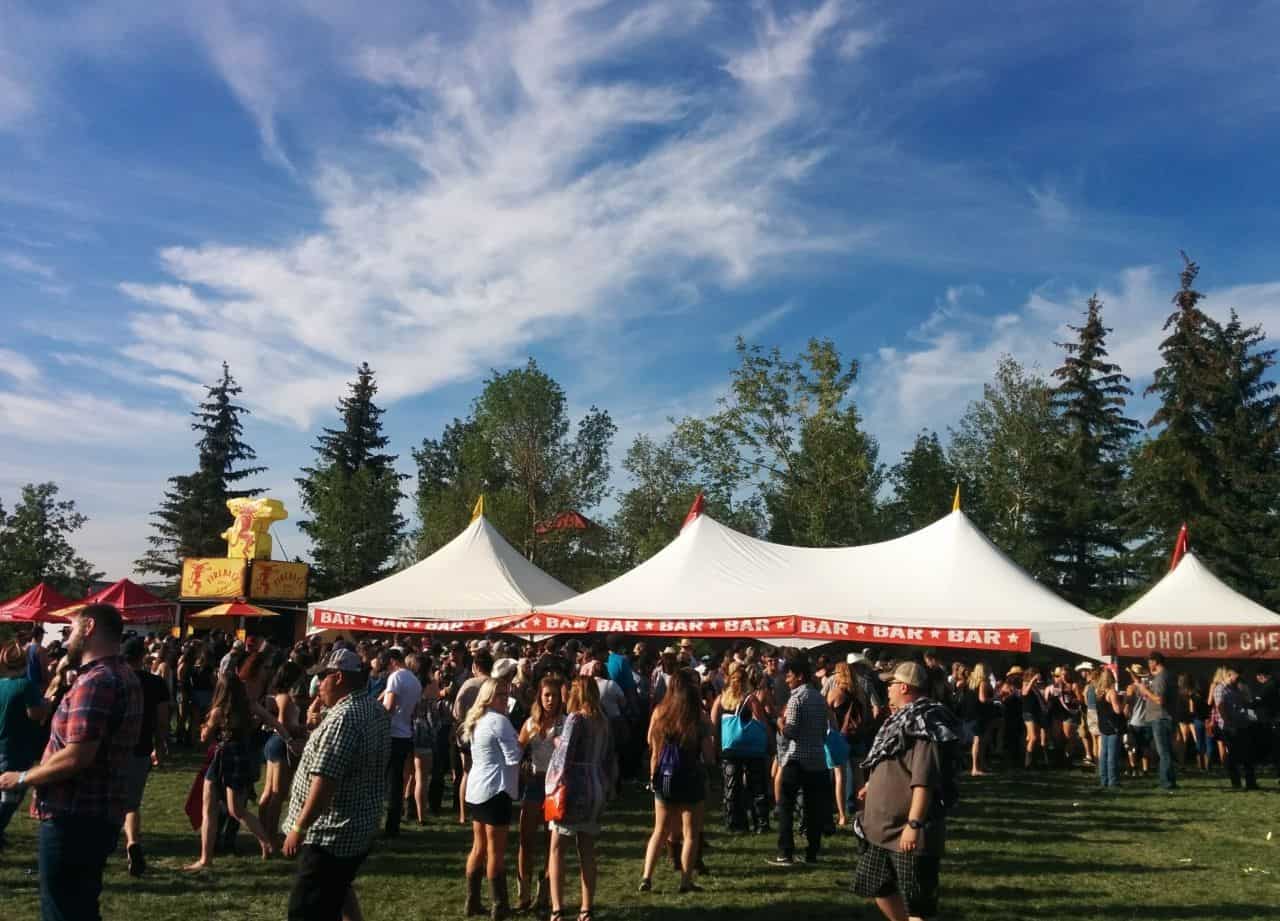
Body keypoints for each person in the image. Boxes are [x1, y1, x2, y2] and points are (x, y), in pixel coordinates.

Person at [0, 603, 141, 921]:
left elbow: (78, 755)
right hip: (98, 813)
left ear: (89, 627)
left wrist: (22, 778)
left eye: (72, 629)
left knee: (62, 911)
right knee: (81, 908)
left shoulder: (97, 681)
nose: (68, 637)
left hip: (74, 815)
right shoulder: (121, 675)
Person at [282, 647, 391, 921]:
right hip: (359, 825)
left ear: (339, 677)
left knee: (306, 911)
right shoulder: (373, 709)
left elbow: (325, 783)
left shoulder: (344, 718)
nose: (318, 684)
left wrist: (298, 827)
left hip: (330, 834)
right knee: (338, 890)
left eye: (323, 677)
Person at [853, 661, 960, 921]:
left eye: (890, 684)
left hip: (907, 832)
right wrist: (874, 784)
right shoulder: (902, 720)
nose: (886, 689)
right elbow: (893, 759)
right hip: (881, 828)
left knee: (918, 905)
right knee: (877, 885)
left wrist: (914, 824)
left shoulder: (925, 724)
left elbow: (924, 781)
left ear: (903, 686)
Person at [186, 669, 276, 869]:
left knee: (210, 810)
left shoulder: (218, 711)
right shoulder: (248, 706)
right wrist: (287, 738)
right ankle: (265, 841)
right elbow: (272, 721)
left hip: (222, 757)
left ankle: (206, 859)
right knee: (236, 809)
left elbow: (204, 739)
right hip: (240, 757)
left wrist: (203, 728)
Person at [640, 668, 713, 892]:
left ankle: (646, 877)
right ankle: (685, 881)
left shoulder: (660, 712)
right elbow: (709, 755)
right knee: (690, 833)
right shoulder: (697, 716)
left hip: (665, 776)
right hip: (691, 776)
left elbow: (651, 746)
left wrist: (654, 777)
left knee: (659, 830)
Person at [546, 676, 612, 921]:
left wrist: (556, 742)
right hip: (596, 784)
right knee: (587, 848)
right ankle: (586, 908)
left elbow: (563, 757)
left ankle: (557, 908)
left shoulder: (576, 719)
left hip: (574, 786)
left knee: (557, 848)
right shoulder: (603, 720)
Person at [462, 678, 523, 920]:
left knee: (478, 847)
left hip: (477, 789)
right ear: (489, 697)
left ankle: (473, 901)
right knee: (495, 850)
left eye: (506, 694)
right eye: (500, 695)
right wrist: (524, 741)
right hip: (497, 789)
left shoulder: (477, 720)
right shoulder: (500, 722)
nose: (505, 700)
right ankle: (500, 905)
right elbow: (513, 757)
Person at [770, 657, 831, 867]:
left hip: (796, 760)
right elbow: (824, 732)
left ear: (799, 676)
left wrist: (779, 723)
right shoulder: (820, 698)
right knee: (814, 809)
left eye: (789, 676)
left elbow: (791, 731)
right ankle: (812, 853)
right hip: (818, 760)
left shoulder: (796, 699)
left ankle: (785, 851)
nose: (786, 680)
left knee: (785, 806)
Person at [122, 636, 169, 877]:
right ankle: (132, 843)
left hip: (112, 748)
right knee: (131, 803)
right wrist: (159, 746)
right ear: (143, 657)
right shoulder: (156, 683)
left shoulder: (115, 680)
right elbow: (162, 721)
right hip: (141, 746)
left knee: (106, 798)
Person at [517, 677, 565, 912]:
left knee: (550, 841)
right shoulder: (530, 723)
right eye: (546, 695)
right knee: (526, 839)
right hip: (535, 783)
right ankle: (523, 892)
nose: (550, 700)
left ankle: (543, 892)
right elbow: (516, 749)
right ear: (539, 696)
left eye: (554, 695)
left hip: (555, 787)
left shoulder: (565, 724)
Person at [0, 639, 50, 852]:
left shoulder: (1, 684)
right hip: (16, 748)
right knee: (10, 798)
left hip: (2, 744)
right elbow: (35, 714)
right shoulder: (26, 685)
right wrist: (47, 704)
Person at [712, 663, 770, 834]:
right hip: (752, 748)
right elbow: (763, 724)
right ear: (745, 678)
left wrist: (716, 747)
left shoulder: (721, 699)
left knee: (731, 786)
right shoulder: (750, 698)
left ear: (728, 678)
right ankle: (761, 823)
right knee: (757, 786)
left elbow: (713, 725)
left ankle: (735, 823)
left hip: (729, 748)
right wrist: (770, 743)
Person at [260, 661, 306, 843]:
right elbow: (283, 724)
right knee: (278, 793)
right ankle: (270, 833)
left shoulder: (278, 696)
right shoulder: (286, 698)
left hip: (275, 743)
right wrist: (302, 728)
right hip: (281, 744)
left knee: (270, 791)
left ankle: (264, 829)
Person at [381, 647, 423, 837]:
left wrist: (377, 719)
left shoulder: (396, 677)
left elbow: (389, 706)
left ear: (392, 662)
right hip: (405, 733)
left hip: (392, 733)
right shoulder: (414, 679)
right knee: (398, 781)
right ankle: (393, 823)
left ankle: (389, 824)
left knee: (389, 782)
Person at [1133, 652, 1177, 791]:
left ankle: (1166, 782)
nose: (1148, 664)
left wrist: (1145, 690)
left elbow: (1159, 699)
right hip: (1164, 717)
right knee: (1167, 751)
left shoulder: (1161, 678)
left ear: (1155, 662)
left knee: (1163, 752)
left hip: (1160, 718)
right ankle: (1170, 780)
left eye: (1149, 661)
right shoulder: (1165, 676)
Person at [1215, 667, 1259, 791]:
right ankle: (1236, 782)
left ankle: (1250, 782)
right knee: (1233, 755)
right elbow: (1221, 708)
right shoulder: (1220, 689)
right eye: (1236, 676)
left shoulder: (1235, 688)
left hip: (1242, 724)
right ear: (1230, 675)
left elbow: (1243, 703)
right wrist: (1229, 724)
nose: (1238, 679)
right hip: (1230, 727)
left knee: (1247, 754)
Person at [1094, 667, 1123, 788]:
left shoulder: (1098, 692)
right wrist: (1125, 701)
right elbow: (1117, 710)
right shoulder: (1112, 692)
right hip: (1113, 726)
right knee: (1112, 755)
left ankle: (1103, 780)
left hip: (1103, 725)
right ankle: (1113, 781)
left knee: (1103, 754)